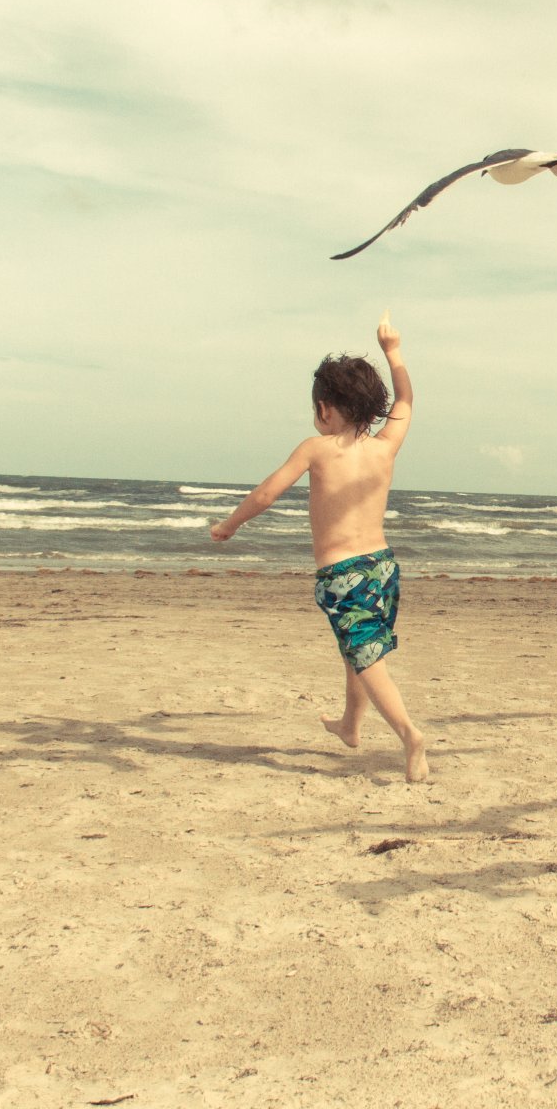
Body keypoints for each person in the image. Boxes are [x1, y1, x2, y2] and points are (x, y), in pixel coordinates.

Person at [210, 312, 427, 782]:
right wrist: (393, 351)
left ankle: (410, 735)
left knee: (366, 657)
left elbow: (267, 493)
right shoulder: (385, 445)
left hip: (341, 574)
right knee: (359, 651)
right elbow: (407, 398)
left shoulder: (315, 448)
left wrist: (230, 524)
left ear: (325, 408)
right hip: (383, 568)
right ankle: (351, 725)